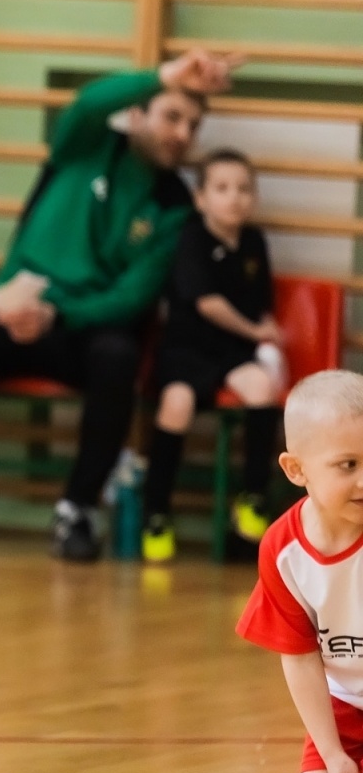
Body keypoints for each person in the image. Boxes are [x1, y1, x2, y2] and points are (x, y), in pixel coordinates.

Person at [0, 49, 238, 562]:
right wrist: (165, 75)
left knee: (118, 357)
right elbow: (89, 103)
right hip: (10, 306)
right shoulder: (84, 145)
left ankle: (77, 509)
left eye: (193, 125)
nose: (182, 133)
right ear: (138, 114)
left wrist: (60, 316)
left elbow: (133, 296)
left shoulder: (173, 207)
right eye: (172, 116)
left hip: (76, 326)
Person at [237, 370, 363, 773]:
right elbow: (300, 653)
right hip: (347, 699)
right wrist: (334, 752)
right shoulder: (283, 550)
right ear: (296, 470)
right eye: (347, 464)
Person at [142, 149, 281, 562]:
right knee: (176, 404)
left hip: (233, 353)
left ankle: (253, 497)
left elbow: (263, 304)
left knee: (262, 390)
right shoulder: (191, 238)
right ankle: (157, 513)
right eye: (222, 188)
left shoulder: (255, 243)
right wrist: (256, 331)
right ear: (201, 198)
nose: (234, 197)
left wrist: (267, 338)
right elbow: (207, 303)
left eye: (243, 189)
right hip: (186, 352)